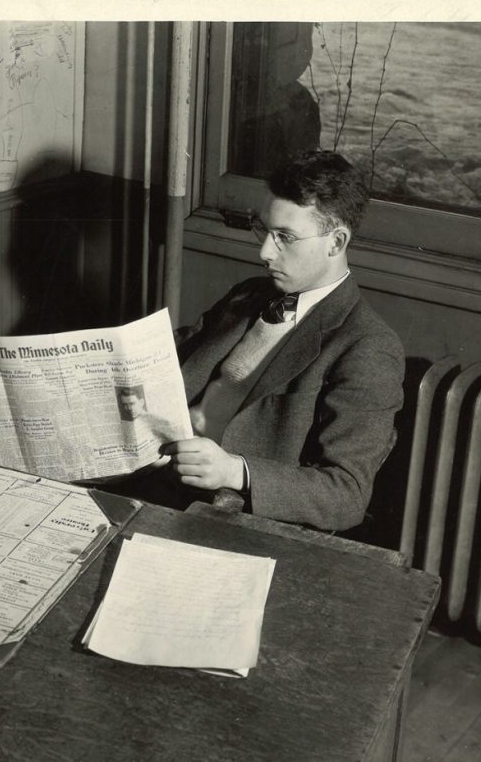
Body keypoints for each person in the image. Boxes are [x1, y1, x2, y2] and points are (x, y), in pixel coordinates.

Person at [158, 150, 404, 532]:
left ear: (336, 242)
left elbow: (347, 494)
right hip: (161, 475)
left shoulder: (366, 346)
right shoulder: (251, 294)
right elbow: (174, 360)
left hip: (234, 514)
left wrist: (234, 471)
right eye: (264, 231)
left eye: (285, 237)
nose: (264, 252)